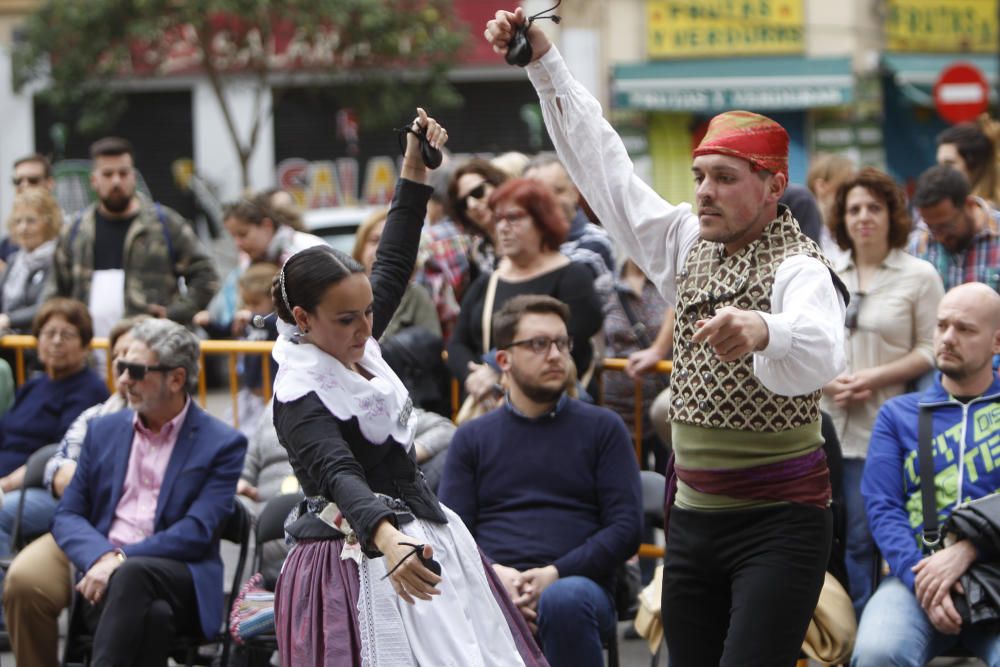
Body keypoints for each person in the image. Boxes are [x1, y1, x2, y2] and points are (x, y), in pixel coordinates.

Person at [484, 12, 848, 665]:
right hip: (695, 514)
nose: (703, 191)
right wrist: (543, 63)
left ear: (772, 186)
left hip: (781, 522)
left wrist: (766, 328)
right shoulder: (684, 239)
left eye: (725, 178)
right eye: (701, 174)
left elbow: (822, 347)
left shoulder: (801, 267)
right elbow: (604, 169)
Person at [269, 109, 545, 666]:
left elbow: (393, 258)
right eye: (347, 318)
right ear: (302, 317)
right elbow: (339, 475)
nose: (366, 326)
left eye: (369, 312)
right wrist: (389, 539)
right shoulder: (299, 390)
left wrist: (415, 170)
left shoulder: (353, 339)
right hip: (354, 559)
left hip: (422, 535)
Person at [439, 294, 642, 667]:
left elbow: (627, 527)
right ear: (504, 360)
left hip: (578, 584)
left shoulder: (602, 428)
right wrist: (496, 576)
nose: (555, 355)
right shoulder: (472, 437)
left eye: (562, 343)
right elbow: (452, 533)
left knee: (563, 599)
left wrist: (555, 573)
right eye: (538, 344)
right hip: (492, 584)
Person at [53, 318, 247, 666]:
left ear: (175, 379)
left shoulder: (221, 443)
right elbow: (67, 514)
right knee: (153, 618)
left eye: (135, 370)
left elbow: (197, 531)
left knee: (133, 574)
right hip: (105, 579)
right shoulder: (102, 430)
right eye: (121, 366)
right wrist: (101, 558)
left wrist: (120, 559)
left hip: (179, 576)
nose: (123, 379)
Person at [854, 282, 1000, 666]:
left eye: (965, 329)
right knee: (877, 653)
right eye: (942, 326)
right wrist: (924, 580)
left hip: (996, 573)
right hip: (914, 574)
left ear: (996, 343)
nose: (948, 338)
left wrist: (969, 549)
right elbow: (883, 507)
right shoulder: (898, 414)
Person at [820, 167, 944, 615]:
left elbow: (932, 349)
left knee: (863, 535)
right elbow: (806, 346)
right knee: (827, 535)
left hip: (885, 428)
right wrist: (829, 381)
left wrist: (874, 378)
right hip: (826, 427)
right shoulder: (826, 271)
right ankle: (838, 633)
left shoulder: (920, 275)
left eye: (874, 207)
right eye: (854, 209)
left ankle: (866, 633)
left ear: (893, 214)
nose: (863, 217)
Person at [3, 315, 141, 667]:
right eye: (118, 359)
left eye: (135, 360)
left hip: (144, 537)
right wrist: (72, 477)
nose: (125, 373)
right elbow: (60, 469)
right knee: (24, 580)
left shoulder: (190, 425)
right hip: (84, 526)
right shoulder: (94, 416)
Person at [446, 178, 603, 406]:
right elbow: (457, 344)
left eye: (514, 217)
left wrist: (496, 368)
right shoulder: (487, 282)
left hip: (557, 411)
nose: (502, 227)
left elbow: (570, 338)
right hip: (493, 410)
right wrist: (474, 376)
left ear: (542, 221)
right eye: (498, 219)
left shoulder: (574, 276)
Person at [45, 136, 220, 335]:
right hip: (88, 351)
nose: (116, 181)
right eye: (108, 174)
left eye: (123, 173)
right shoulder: (75, 231)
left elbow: (206, 276)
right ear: (94, 180)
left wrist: (176, 313)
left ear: (133, 177)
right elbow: (54, 292)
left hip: (152, 350)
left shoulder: (165, 224)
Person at [0, 298, 108, 568]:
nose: (56, 341)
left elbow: (58, 455)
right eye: (49, 333)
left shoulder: (90, 391)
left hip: (48, 489)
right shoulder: (33, 387)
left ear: (85, 345)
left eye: (67, 334)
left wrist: (4, 485)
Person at [199, 191, 325, 335]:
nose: (238, 244)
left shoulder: (303, 252)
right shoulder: (249, 261)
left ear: (267, 225)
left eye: (243, 234)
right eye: (233, 237)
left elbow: (312, 312)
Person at [602, 258, 671, 473]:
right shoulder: (605, 285)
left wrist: (658, 350)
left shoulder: (669, 280)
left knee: (667, 479)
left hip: (665, 404)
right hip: (619, 407)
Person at [910, 164, 1000, 293]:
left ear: (969, 205)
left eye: (945, 226)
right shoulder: (918, 247)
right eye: (931, 227)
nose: (938, 237)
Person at [524, 153, 615, 273]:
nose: (551, 200)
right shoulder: (522, 242)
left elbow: (566, 279)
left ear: (575, 192)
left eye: (558, 190)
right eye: (539, 195)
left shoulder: (595, 240)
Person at [0, 189, 62, 333]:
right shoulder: (14, 260)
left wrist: (8, 319)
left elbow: (46, 306)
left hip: (37, 345)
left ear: (48, 222)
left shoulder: (57, 259)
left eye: (31, 220)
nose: (23, 228)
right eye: (18, 221)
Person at [446, 158, 509, 280]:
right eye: (463, 203)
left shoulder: (527, 234)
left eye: (477, 192)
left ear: (496, 184)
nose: (472, 205)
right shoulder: (477, 252)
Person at [936, 119, 1000, 207]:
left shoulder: (988, 213)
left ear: (975, 165)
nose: (941, 172)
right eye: (940, 165)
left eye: (949, 164)